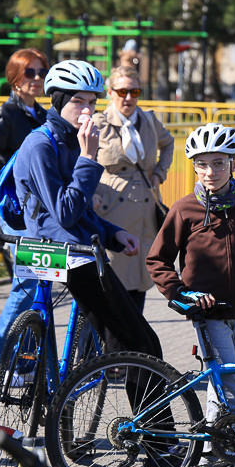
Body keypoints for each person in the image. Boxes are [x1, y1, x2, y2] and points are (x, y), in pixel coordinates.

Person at [145, 122, 235, 467]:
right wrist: (181, 293)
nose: (210, 172)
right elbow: (157, 259)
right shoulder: (185, 208)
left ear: (233, 163)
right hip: (209, 317)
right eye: (201, 165)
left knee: (219, 396)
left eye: (218, 163)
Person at [13, 59, 162, 359]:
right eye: (77, 101)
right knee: (142, 346)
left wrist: (113, 233)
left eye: (92, 102)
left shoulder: (69, 140)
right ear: (57, 101)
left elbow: (80, 210)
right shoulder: (41, 145)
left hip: (78, 249)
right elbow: (66, 212)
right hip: (65, 254)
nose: (86, 110)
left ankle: (65, 399)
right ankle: (150, 408)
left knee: (140, 339)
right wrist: (88, 158)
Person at [0, 48, 50, 380]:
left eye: (40, 72)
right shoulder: (6, 113)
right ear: (14, 78)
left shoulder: (41, 115)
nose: (36, 79)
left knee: (41, 282)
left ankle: (27, 362)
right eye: (28, 73)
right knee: (27, 283)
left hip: (40, 213)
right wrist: (8, 185)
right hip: (18, 214)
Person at [91, 65, 174, 312]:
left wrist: (160, 172)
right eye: (122, 91)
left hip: (146, 209)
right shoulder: (99, 122)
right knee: (113, 277)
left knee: (140, 278)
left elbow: (168, 144)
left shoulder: (148, 120)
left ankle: (132, 343)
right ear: (110, 91)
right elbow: (83, 160)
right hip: (112, 207)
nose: (128, 97)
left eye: (134, 91)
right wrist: (90, 192)